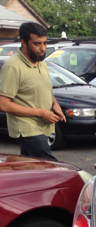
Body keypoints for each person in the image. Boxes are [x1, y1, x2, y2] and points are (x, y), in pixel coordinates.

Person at [0, 22, 65, 160]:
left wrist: (55, 105)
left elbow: (44, 88)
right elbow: (4, 104)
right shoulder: (13, 66)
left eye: (45, 43)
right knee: (50, 165)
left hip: (43, 126)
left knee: (30, 167)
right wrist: (41, 112)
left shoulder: (41, 61)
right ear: (23, 42)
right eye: (37, 43)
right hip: (26, 128)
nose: (42, 48)